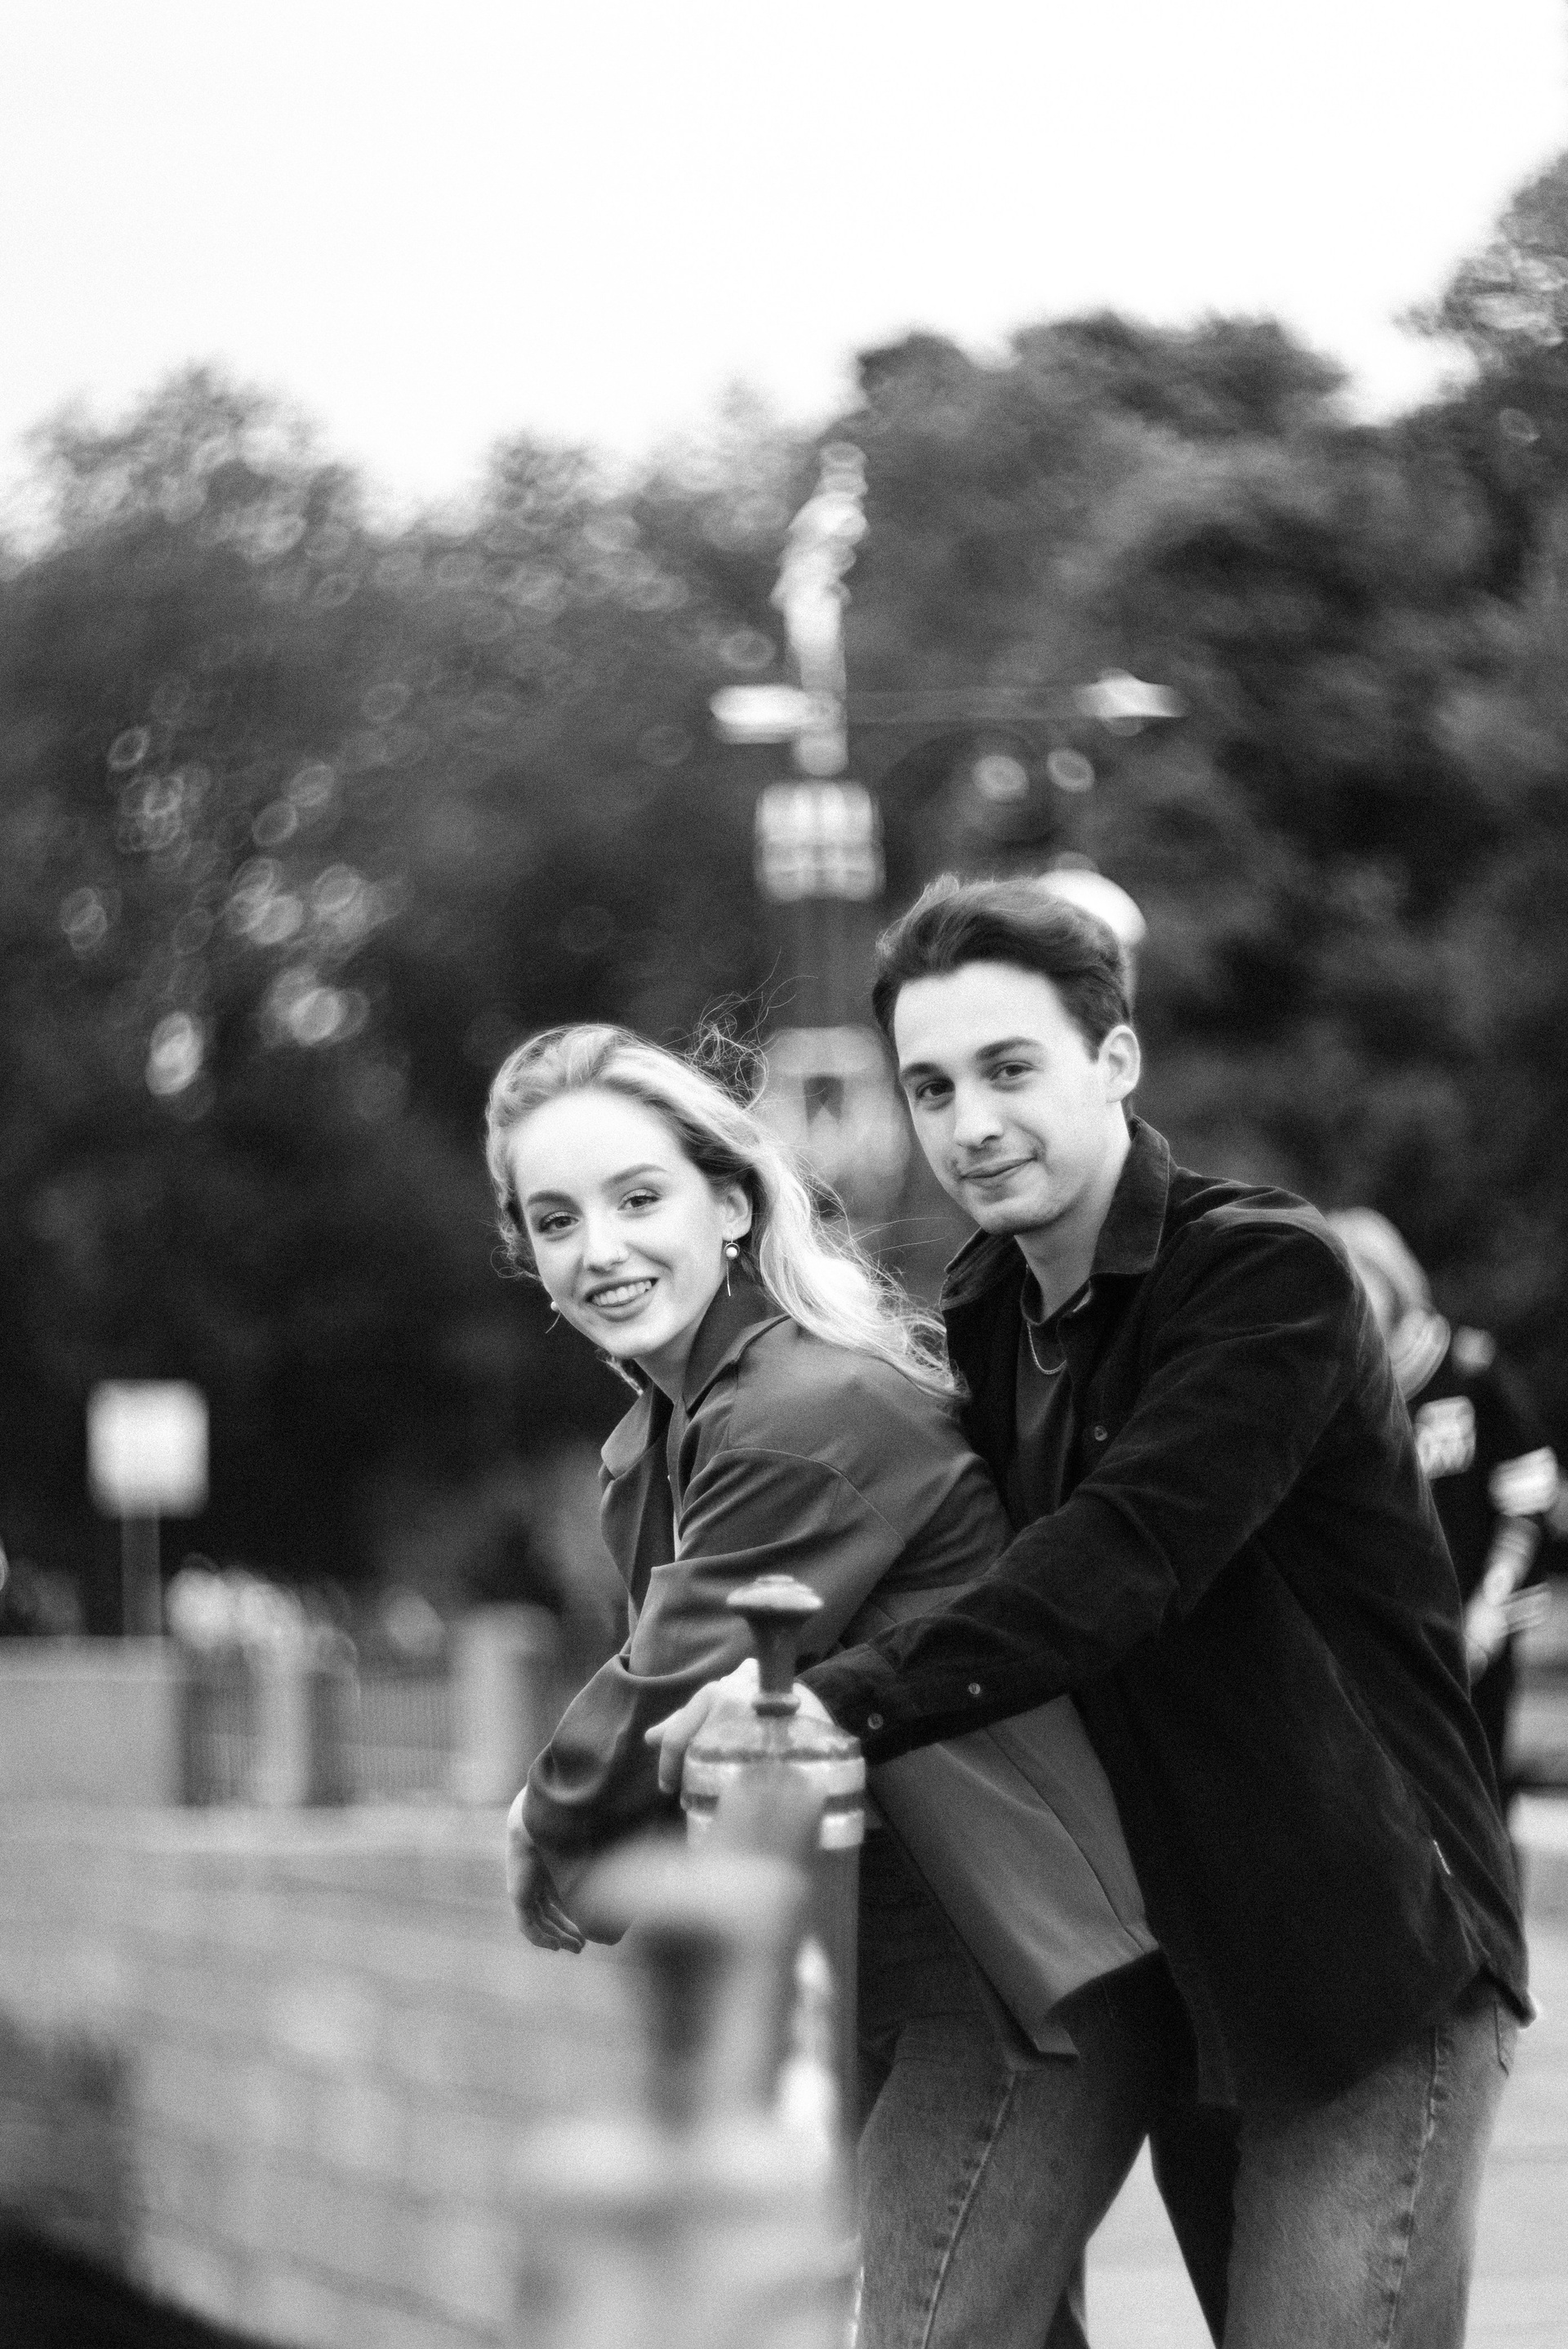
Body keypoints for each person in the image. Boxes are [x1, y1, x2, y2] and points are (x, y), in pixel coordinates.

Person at [653, 877, 1530, 2349]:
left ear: (1115, 1059)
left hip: (1371, 1961)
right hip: (1188, 1979)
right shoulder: (991, 1305)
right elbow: (957, 1562)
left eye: (1011, 1068)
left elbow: (1118, 1563)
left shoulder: (1265, 1275)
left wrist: (826, 1702)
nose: (972, 1123)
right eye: (932, 1086)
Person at [486, 1022, 1227, 2349]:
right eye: (556, 1220)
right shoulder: (665, 1432)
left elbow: (673, 1678)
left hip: (1018, 1977)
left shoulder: (807, 1409)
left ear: (729, 1204)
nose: (599, 1249)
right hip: (891, 1967)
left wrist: (543, 1822)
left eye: (639, 1198)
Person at [1328, 1209, 1559, 1808]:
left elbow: (1529, 1495)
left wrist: (1490, 1606)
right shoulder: (1336, 1392)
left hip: (1480, 1630)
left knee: (1479, 1801)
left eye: (1359, 1281)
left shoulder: (1469, 1369)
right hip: (1386, 1648)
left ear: (1393, 1278)